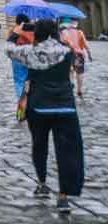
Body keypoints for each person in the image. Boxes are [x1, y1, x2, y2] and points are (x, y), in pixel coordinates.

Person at [7, 18, 84, 214]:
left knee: (39, 146)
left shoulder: (31, 52)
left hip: (39, 107)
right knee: (67, 152)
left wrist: (16, 32)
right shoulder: (66, 51)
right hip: (66, 107)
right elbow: (77, 63)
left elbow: (9, 49)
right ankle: (64, 196)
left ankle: (42, 183)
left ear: (38, 32)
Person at [59, 18, 91, 99]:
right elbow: (86, 45)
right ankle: (79, 90)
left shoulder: (63, 32)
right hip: (79, 55)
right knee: (79, 73)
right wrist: (89, 54)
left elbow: (61, 43)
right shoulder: (80, 32)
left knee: (70, 72)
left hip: (68, 54)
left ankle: (70, 89)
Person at [7, 15, 36, 102]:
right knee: (30, 79)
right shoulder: (33, 30)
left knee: (19, 80)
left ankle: (21, 101)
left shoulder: (14, 30)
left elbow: (10, 42)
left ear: (17, 21)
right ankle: (30, 98)